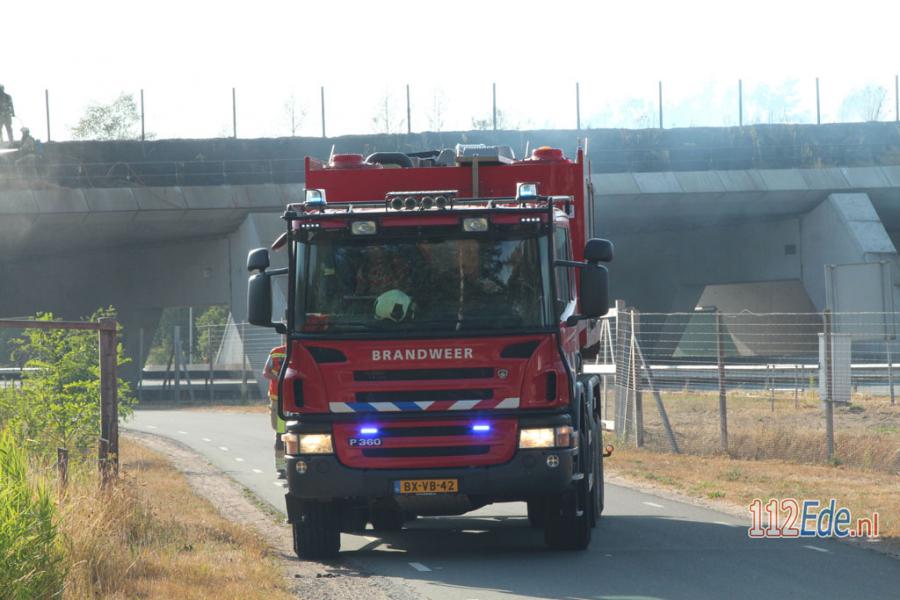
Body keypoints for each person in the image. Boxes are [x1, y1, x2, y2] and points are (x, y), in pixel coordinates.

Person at [262, 344, 287, 478]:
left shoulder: (301, 350)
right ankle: (280, 467)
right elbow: (265, 372)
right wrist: (280, 379)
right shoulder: (276, 352)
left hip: (296, 399)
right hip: (278, 399)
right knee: (280, 433)